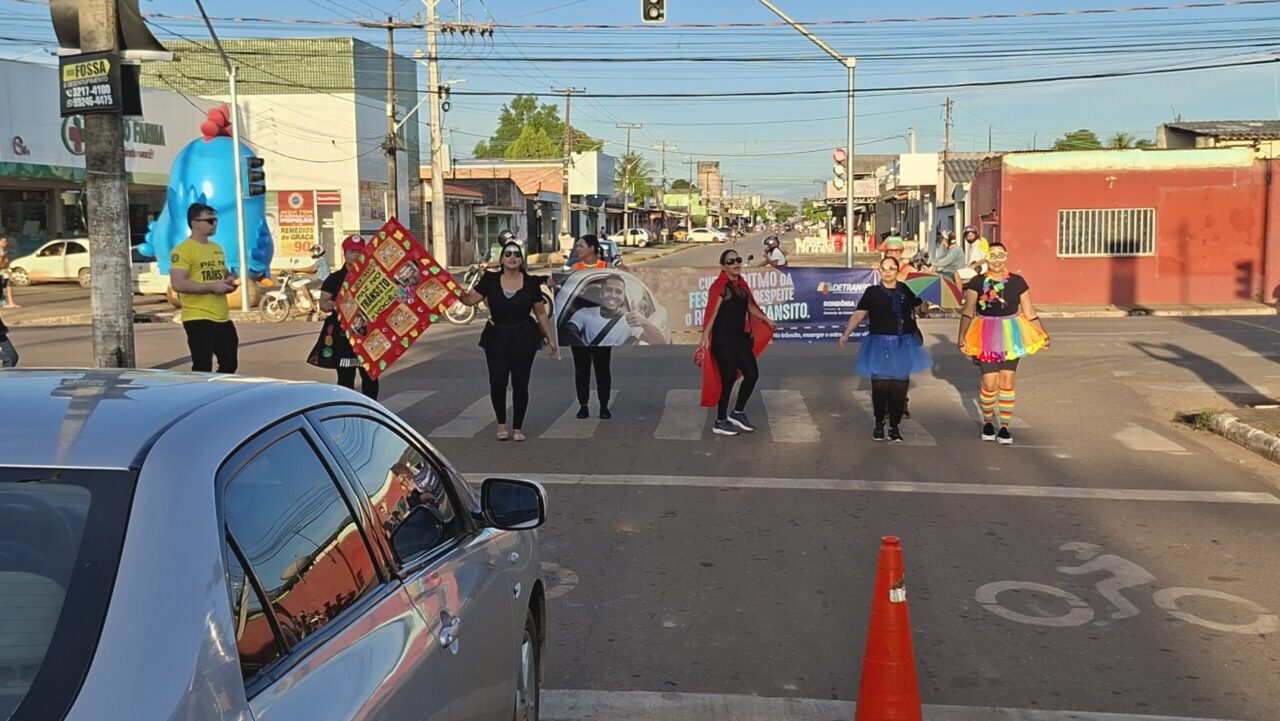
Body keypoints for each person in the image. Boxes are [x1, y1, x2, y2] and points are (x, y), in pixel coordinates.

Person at [459, 240, 558, 442]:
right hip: (497, 337)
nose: (512, 257)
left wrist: (550, 339)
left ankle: (518, 427)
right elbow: (470, 300)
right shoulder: (490, 280)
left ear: (521, 260)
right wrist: (449, 290)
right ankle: (502, 424)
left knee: (521, 383)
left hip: (524, 336)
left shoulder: (530, 283)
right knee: (498, 381)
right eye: (508, 254)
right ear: (502, 259)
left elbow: (540, 313)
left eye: (516, 254)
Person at [956, 241, 1050, 445]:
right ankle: (988, 422)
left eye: (1001, 255)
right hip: (984, 334)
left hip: (1012, 335)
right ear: (987, 257)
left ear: (1006, 257)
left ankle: (1005, 428)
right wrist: (961, 337)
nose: (996, 260)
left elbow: (1030, 312)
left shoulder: (1018, 282)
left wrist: (1042, 334)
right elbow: (968, 311)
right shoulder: (977, 282)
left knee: (1007, 382)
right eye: (993, 255)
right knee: (990, 383)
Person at [838, 256, 932, 442]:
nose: (888, 271)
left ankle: (895, 427)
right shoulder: (872, 292)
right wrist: (846, 333)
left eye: (892, 268)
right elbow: (859, 314)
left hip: (902, 344)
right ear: (880, 271)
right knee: (880, 388)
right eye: (884, 268)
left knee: (899, 389)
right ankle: (879, 423)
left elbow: (920, 311)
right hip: (879, 344)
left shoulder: (905, 289)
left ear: (898, 271)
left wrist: (924, 305)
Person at [699, 248, 776, 436]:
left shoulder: (741, 285)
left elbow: (750, 307)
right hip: (722, 340)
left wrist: (767, 320)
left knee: (752, 374)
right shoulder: (720, 287)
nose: (736, 264)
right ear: (723, 266)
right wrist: (704, 339)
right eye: (731, 262)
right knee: (727, 379)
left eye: (738, 260)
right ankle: (720, 420)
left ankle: (738, 412)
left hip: (740, 338)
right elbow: (711, 313)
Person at [170, 203, 239, 373]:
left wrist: (229, 280)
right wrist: (211, 287)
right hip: (197, 317)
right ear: (194, 223)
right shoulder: (183, 250)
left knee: (230, 362)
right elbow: (178, 283)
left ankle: (220, 394)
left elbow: (224, 274)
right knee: (202, 366)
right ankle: (202, 396)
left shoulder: (216, 248)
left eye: (215, 220)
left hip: (222, 316)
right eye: (209, 221)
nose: (214, 224)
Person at [310, 235, 379, 399]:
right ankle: (348, 409)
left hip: (368, 335)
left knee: (370, 377)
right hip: (343, 337)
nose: (356, 255)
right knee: (345, 378)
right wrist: (337, 305)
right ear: (345, 254)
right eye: (352, 251)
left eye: (359, 251)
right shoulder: (333, 279)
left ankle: (371, 409)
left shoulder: (374, 277)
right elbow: (323, 304)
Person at [568, 234, 621, 419]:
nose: (578, 249)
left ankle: (604, 406)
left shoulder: (607, 268)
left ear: (592, 248)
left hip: (602, 324)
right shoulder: (574, 269)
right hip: (580, 321)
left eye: (581, 245)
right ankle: (583, 405)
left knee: (602, 368)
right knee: (581, 369)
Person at [0, 236, 19, 309]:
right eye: (4, 242)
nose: (6, 243)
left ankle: (10, 302)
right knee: (7, 285)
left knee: (8, 285)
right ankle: (9, 302)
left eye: (6, 242)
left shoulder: (2, 250)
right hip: (2, 270)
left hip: (3, 270)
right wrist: (3, 258)